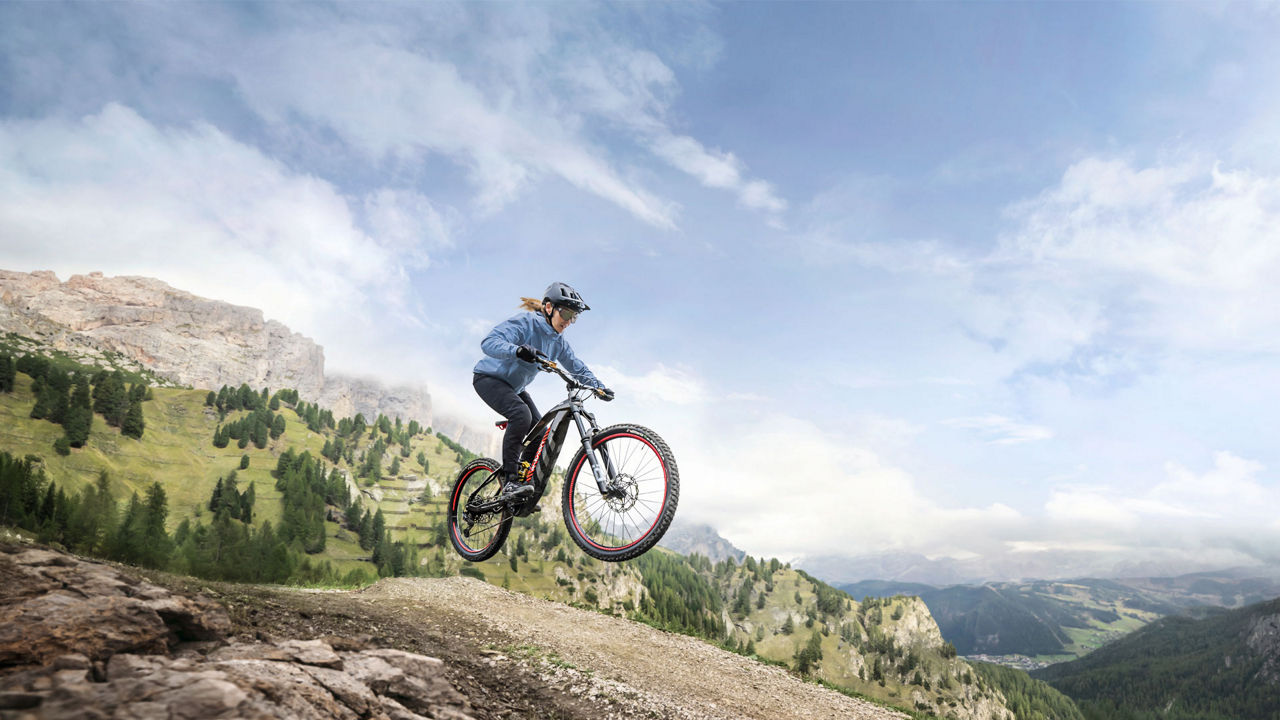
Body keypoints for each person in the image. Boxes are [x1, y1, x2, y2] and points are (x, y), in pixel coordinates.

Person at [473, 281, 613, 502]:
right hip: (488, 379)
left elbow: (576, 366)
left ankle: (522, 482)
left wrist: (598, 386)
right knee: (521, 415)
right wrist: (517, 350)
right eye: (566, 313)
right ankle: (510, 481)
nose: (568, 322)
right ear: (549, 308)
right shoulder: (526, 323)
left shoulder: (558, 342)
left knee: (539, 430)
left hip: (515, 388)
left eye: (573, 317)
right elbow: (489, 342)